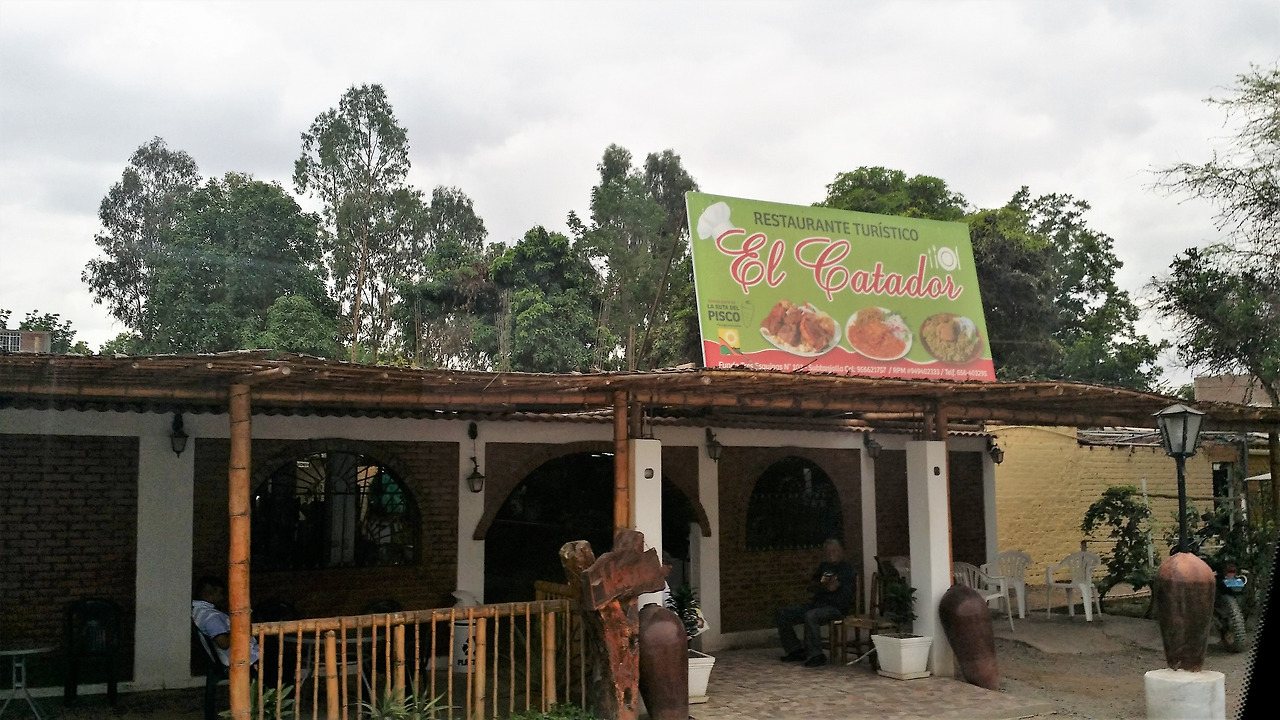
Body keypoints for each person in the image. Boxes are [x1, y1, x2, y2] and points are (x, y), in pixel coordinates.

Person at [774, 538, 856, 667]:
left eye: (834, 550)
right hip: (817, 605)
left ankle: (816, 655)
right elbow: (811, 586)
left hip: (836, 608)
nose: (830, 554)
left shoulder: (846, 568)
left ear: (841, 551)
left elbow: (831, 587)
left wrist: (822, 585)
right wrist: (824, 585)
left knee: (811, 615)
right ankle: (795, 650)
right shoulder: (824, 566)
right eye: (827, 551)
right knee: (782, 613)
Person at [192, 575, 260, 669]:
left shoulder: (199, 612)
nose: (223, 597)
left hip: (239, 657)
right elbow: (223, 643)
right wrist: (243, 630)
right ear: (209, 594)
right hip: (243, 659)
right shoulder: (210, 617)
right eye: (221, 593)